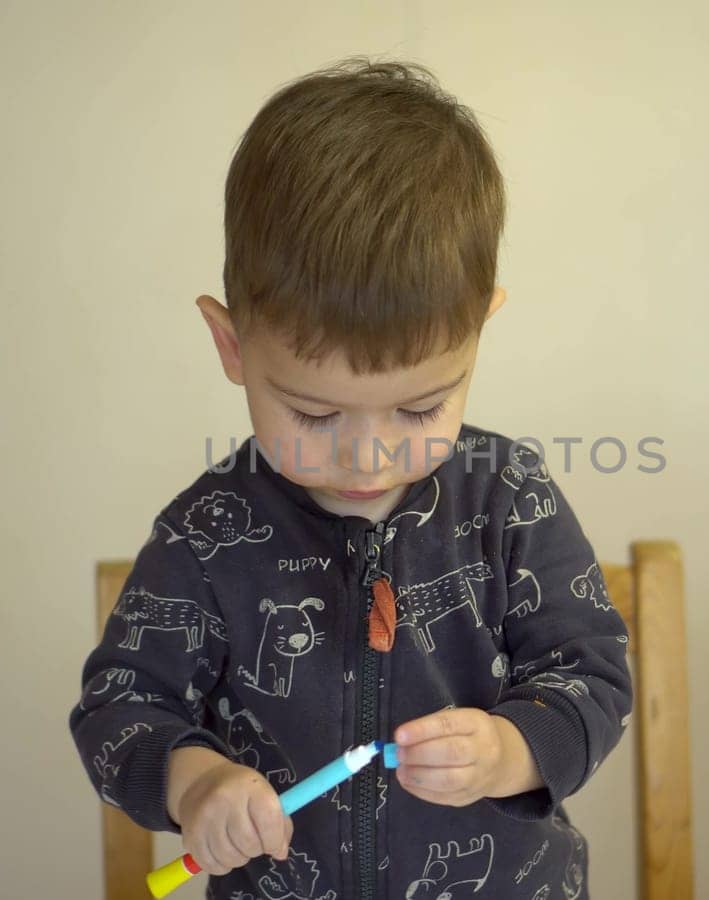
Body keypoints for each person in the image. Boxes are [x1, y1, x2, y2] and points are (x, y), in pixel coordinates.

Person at [71, 58, 631, 900]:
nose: (368, 458)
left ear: (480, 333)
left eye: (419, 411)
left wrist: (510, 749)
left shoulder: (509, 495)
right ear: (233, 349)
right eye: (316, 416)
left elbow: (592, 674)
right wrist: (195, 784)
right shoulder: (207, 534)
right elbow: (120, 709)